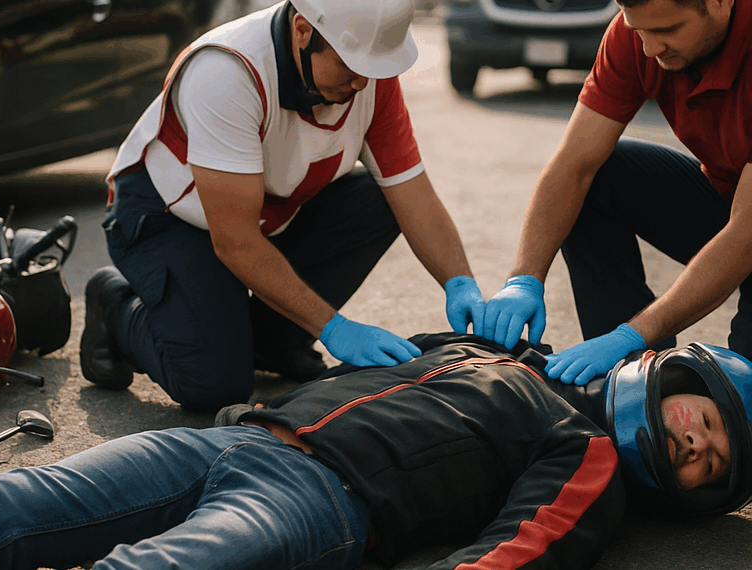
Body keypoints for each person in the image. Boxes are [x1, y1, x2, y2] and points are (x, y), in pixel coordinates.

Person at [0, 333, 752, 570]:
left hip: (320, 505)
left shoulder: (581, 449)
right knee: (1, 511)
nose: (691, 445)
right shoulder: (498, 351)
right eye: (701, 421)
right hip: (233, 440)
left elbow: (518, 548)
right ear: (675, 380)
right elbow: (356, 362)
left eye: (703, 464)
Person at [79, 0, 485, 412]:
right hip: (171, 216)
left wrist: (460, 283)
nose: (363, 84)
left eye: (373, 68)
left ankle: (272, 342)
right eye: (351, 66)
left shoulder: (367, 76)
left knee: (379, 202)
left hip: (267, 213)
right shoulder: (227, 72)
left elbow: (413, 194)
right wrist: (333, 328)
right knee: (213, 387)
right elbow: (235, 242)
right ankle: (115, 306)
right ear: (303, 31)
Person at [481, 0, 752, 387]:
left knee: (738, 410)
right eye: (639, 29)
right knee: (598, 178)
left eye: (668, 30)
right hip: (732, 201)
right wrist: (524, 278)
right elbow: (575, 165)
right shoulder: (638, 34)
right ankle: (635, 383)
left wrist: (634, 332)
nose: (649, 49)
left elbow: (745, 237)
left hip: (748, 226)